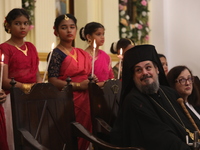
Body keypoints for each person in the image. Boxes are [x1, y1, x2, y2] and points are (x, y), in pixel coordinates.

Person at [111, 44, 200, 150]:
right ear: (133, 76)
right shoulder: (133, 101)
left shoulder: (169, 92)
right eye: (138, 70)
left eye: (148, 67)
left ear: (157, 69)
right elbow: (159, 137)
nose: (145, 73)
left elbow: (190, 120)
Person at [0, 8, 42, 150]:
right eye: (17, 23)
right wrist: (26, 87)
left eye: (25, 23)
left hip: (33, 98)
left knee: (34, 134)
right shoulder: (4, 48)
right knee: (15, 136)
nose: (23, 27)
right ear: (8, 26)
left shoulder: (31, 47)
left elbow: (37, 75)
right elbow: (4, 80)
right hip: (13, 98)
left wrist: (41, 89)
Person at [48, 14, 92, 150]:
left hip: (85, 99)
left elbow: (87, 74)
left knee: (86, 133)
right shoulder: (55, 54)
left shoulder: (82, 53)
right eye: (64, 27)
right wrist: (78, 85)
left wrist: (91, 80)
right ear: (56, 31)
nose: (69, 31)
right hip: (66, 100)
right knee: (70, 134)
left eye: (72, 27)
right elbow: (53, 81)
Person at [79, 22, 114, 87]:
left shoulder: (106, 56)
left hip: (105, 93)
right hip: (89, 92)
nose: (102, 37)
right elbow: (81, 78)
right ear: (89, 37)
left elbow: (111, 77)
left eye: (103, 34)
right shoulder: (83, 56)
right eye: (98, 34)